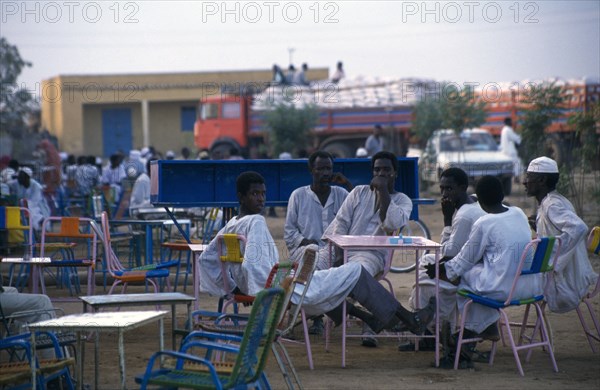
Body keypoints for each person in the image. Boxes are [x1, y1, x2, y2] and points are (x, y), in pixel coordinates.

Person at [425, 175, 539, 367]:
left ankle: (472, 335)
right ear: (502, 195)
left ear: (480, 201)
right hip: (529, 285)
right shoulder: (518, 213)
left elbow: (464, 260)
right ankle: (481, 328)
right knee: (471, 275)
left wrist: (441, 270)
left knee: (460, 279)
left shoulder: (484, 223)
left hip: (503, 288)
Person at [319, 150, 412, 347]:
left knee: (357, 272)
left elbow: (392, 223)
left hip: (373, 255)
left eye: (386, 170)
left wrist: (384, 191)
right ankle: (372, 317)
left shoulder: (403, 200)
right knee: (310, 271)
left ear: (395, 172)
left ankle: (370, 323)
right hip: (342, 249)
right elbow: (340, 224)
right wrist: (338, 253)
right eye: (377, 170)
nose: (381, 174)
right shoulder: (358, 192)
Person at [404, 167, 485, 351]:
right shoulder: (474, 204)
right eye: (441, 189)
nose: (444, 194)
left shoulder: (464, 215)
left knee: (424, 275)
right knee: (426, 268)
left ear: (463, 187)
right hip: (473, 266)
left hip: (470, 274)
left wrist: (447, 219)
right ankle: (432, 330)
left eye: (449, 189)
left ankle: (429, 333)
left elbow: (448, 252)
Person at [284, 151, 353, 334]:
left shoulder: (342, 194)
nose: (325, 173)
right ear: (311, 170)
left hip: (336, 254)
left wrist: (346, 184)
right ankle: (319, 316)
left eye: (328, 168)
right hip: (303, 251)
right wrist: (306, 241)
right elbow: (289, 233)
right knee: (313, 253)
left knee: (319, 258)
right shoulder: (298, 196)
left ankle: (305, 317)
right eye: (320, 168)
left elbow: (360, 210)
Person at [523, 156, 598, 313]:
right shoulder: (554, 201)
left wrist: (553, 259)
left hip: (564, 282)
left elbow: (579, 228)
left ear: (542, 180)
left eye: (529, 177)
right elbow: (557, 230)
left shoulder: (552, 204)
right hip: (566, 278)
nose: (524, 182)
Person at [198, 171, 279, 297]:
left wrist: (233, 288)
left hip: (245, 286)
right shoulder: (256, 221)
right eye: (255, 194)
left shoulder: (231, 224)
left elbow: (206, 258)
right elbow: (254, 263)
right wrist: (260, 292)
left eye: (263, 194)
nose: (261, 199)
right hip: (269, 287)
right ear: (241, 197)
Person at [499, 117, 522, 182]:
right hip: (510, 151)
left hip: (505, 150)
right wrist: (520, 137)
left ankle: (513, 177)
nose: (511, 123)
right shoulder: (508, 130)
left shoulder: (504, 129)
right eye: (510, 122)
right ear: (508, 122)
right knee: (517, 163)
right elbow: (515, 138)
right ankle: (516, 178)